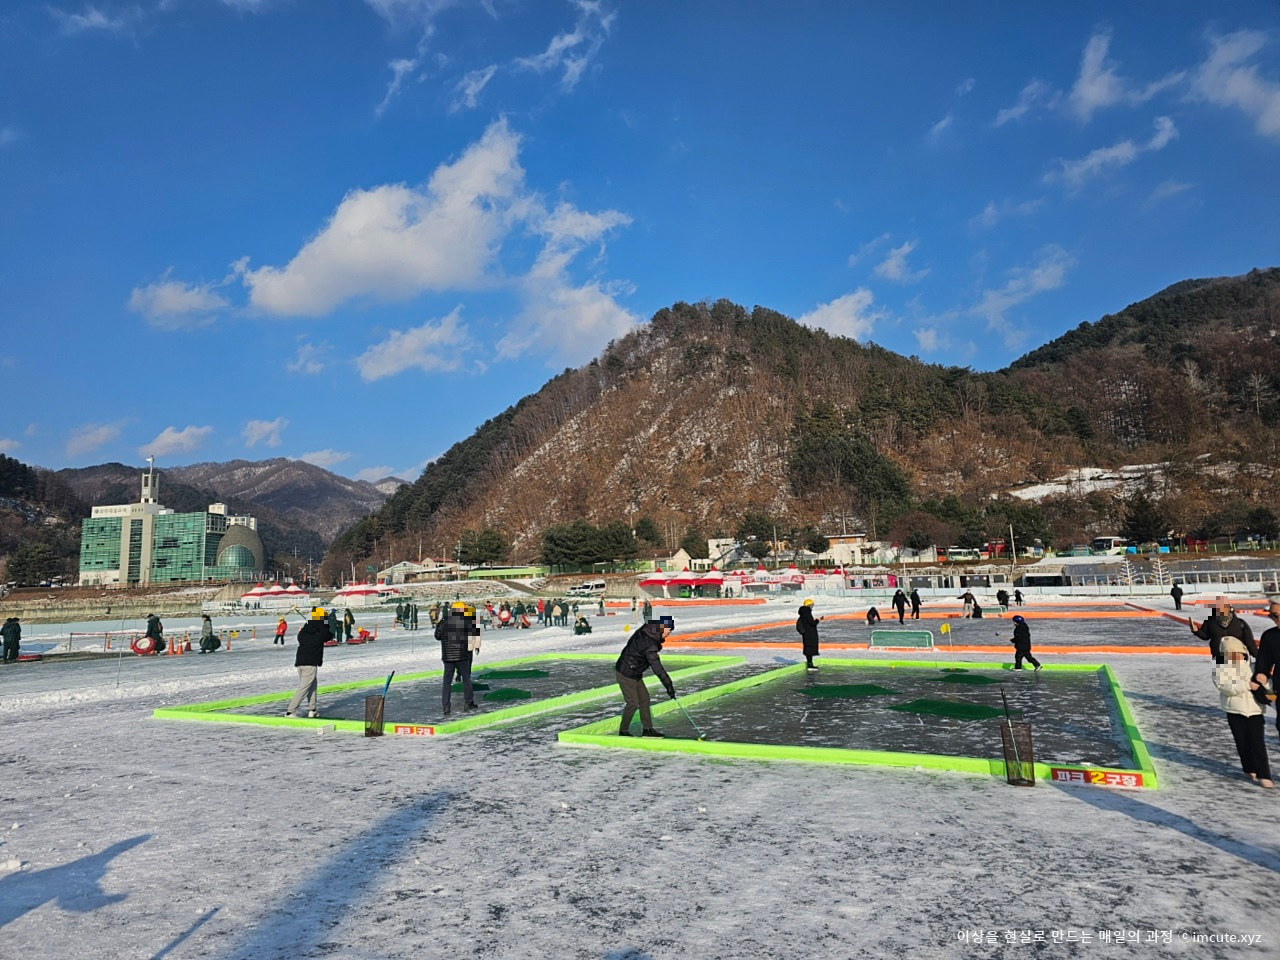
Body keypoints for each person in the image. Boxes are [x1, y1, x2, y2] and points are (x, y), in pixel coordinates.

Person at [1213, 636, 1273, 788]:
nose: (1235, 657)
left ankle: (1264, 774)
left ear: (1243, 653)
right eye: (1230, 654)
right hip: (1234, 711)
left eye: (1237, 653)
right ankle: (1249, 768)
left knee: (1258, 744)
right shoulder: (1220, 670)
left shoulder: (1254, 668)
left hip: (1255, 711)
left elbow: (1269, 688)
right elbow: (1225, 687)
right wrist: (1246, 685)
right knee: (1242, 742)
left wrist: (1265, 682)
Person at [615, 616, 676, 737]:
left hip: (635, 672)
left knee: (644, 699)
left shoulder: (648, 630)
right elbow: (657, 668)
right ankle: (623, 731)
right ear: (663, 628)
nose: (668, 635)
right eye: (669, 632)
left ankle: (647, 730)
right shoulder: (650, 644)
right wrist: (668, 685)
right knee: (632, 702)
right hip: (625, 672)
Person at [286, 607, 332, 718]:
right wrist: (325, 625)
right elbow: (329, 635)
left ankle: (312, 709)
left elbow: (305, 634)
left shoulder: (304, 631)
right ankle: (290, 711)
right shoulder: (321, 631)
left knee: (312, 686)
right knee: (304, 688)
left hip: (300, 662)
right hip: (310, 663)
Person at [436, 602, 480, 716]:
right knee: (466, 679)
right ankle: (468, 702)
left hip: (447, 656)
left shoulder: (444, 621)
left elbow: (437, 636)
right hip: (462, 655)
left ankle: (446, 706)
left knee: (447, 682)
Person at [1191, 601, 1257, 663]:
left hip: (1239, 658)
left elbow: (1250, 643)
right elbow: (1206, 636)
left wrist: (1258, 657)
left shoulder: (1239, 623)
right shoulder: (1210, 622)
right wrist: (1196, 631)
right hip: (1220, 658)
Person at [1252, 600, 1280, 736]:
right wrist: (1259, 679)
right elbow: (1263, 664)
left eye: (1277, 615)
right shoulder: (1270, 636)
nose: (1275, 619)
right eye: (1272, 616)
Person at [797, 598, 824, 670]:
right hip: (809, 634)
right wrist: (818, 620)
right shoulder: (807, 612)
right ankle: (810, 664)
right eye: (811, 605)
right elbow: (812, 623)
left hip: (806, 633)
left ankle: (810, 663)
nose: (812, 607)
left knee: (808, 648)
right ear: (808, 605)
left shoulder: (803, 612)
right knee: (810, 648)